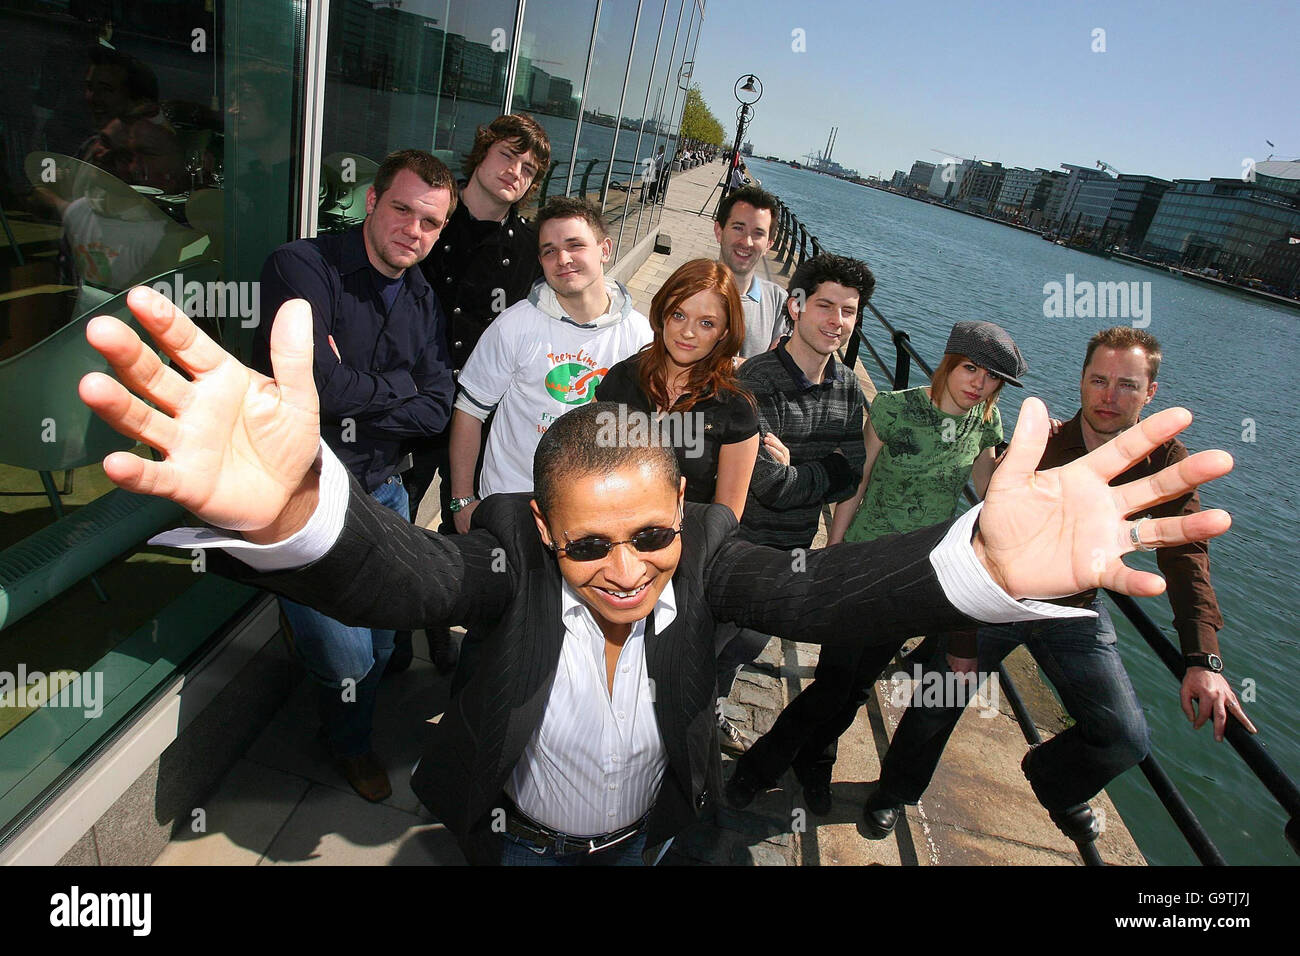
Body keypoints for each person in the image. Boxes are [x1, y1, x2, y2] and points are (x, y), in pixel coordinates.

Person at [78, 287, 1235, 864]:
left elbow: (827, 594)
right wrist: (296, 509)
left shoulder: (718, 555)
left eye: (651, 537)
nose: (625, 568)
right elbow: (404, 577)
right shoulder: (508, 553)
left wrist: (979, 565)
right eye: (587, 544)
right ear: (542, 525)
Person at [858, 326, 1256, 845]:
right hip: (998, 596)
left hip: (1073, 608)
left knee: (1123, 736)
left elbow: (1186, 558)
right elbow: (985, 516)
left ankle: (1052, 779)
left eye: (1127, 386)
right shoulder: (1041, 442)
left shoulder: (1165, 463)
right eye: (1099, 380)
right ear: (1082, 380)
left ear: (1151, 392)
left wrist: (1203, 659)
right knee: (941, 694)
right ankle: (894, 790)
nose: (1109, 396)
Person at [726, 320, 1027, 815]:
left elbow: (990, 489)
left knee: (857, 686)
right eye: (971, 368)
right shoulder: (895, 409)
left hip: (919, 572)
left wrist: (1026, 462)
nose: (979, 383)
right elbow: (856, 483)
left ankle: (815, 760)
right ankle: (758, 769)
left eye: (993, 377)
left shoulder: (984, 425)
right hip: (864, 561)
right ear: (950, 362)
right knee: (834, 683)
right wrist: (836, 546)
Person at [251, 149, 456, 802]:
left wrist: (356, 387)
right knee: (349, 658)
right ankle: (351, 743)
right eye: (402, 209)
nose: (413, 231)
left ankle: (346, 668)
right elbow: (317, 386)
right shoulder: (299, 267)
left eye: (430, 223)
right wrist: (395, 387)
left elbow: (438, 406)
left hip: (385, 493)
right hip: (303, 496)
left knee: (388, 633)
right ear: (372, 202)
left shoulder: (421, 296)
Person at [399, 113, 550, 673]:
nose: (516, 172)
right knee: (395, 516)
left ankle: (440, 618)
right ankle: (389, 632)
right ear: (481, 154)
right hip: (412, 402)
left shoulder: (533, 246)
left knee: (466, 523)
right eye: (508, 156)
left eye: (529, 169)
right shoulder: (432, 220)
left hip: (483, 416)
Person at [711, 253, 876, 752]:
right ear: (795, 306)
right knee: (703, 647)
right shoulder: (755, 382)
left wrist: (803, 470)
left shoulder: (847, 388)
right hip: (736, 549)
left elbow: (849, 476)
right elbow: (769, 486)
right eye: (825, 306)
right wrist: (821, 470)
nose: (837, 322)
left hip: (793, 554)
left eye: (848, 311)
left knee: (744, 648)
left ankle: (710, 710)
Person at [446, 196, 652, 534]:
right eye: (549, 251)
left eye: (575, 245)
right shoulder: (513, 325)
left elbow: (645, 432)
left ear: (605, 249)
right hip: (509, 509)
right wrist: (462, 500)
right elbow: (469, 411)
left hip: (592, 514)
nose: (563, 259)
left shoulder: (640, 337)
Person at [595, 257, 759, 520]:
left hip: (684, 550)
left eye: (706, 323)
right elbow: (583, 466)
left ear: (725, 333)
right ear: (662, 314)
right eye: (679, 315)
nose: (688, 332)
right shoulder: (621, 378)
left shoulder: (735, 408)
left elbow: (725, 518)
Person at [713, 185, 787, 358]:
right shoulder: (690, 288)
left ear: (769, 244)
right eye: (738, 228)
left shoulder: (778, 302)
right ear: (719, 231)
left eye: (758, 233)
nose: (746, 242)